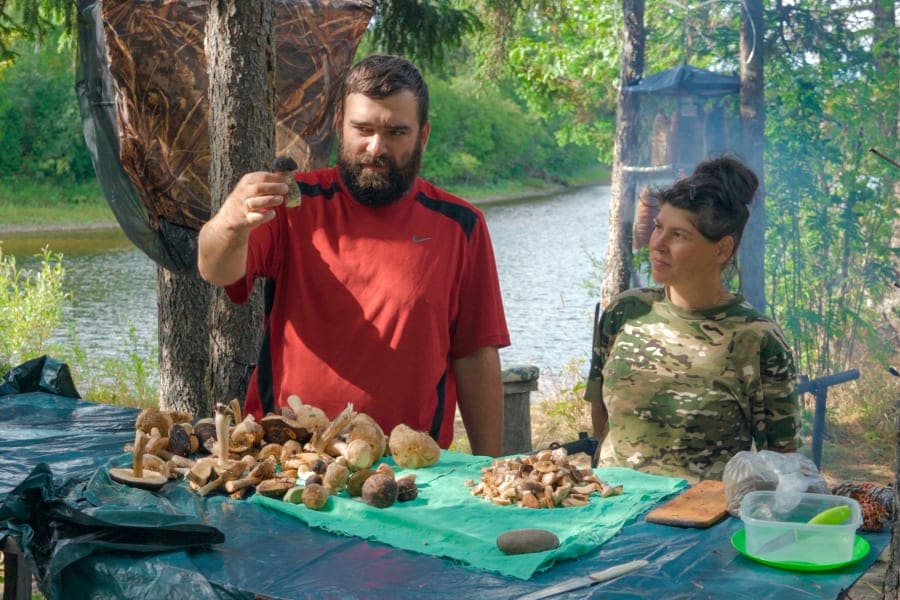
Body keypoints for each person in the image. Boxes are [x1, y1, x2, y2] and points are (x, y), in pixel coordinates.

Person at [198, 54, 510, 457]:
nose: (376, 147)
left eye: (396, 132)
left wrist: (490, 465)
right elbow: (215, 269)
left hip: (409, 466)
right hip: (288, 455)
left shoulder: (461, 225)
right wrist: (230, 220)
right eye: (362, 128)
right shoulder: (291, 205)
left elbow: (475, 354)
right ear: (339, 125)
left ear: (423, 135)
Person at [584, 156, 800, 481]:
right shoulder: (626, 312)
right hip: (612, 513)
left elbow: (782, 464)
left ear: (722, 249)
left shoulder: (756, 339)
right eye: (659, 227)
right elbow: (602, 415)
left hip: (702, 524)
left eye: (679, 235)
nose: (657, 244)